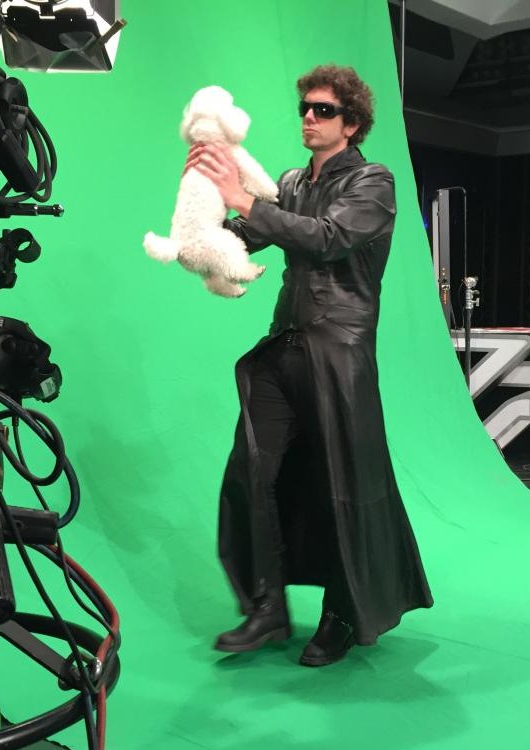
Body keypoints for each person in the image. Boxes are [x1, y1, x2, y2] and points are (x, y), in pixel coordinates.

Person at [187, 64, 432, 667]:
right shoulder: (292, 182)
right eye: (305, 107)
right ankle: (267, 607)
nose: (309, 117)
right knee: (253, 472)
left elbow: (326, 237)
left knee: (341, 487)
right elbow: (249, 233)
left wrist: (245, 198)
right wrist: (204, 200)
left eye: (324, 110)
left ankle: (342, 614)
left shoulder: (374, 181)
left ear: (352, 123)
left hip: (338, 352)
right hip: (285, 347)